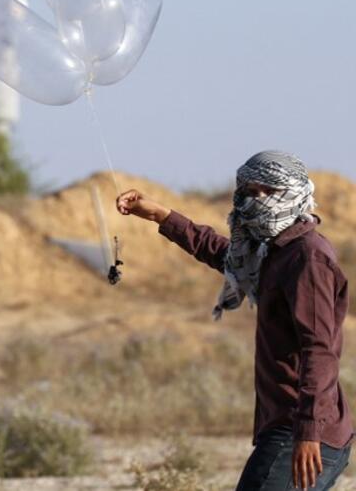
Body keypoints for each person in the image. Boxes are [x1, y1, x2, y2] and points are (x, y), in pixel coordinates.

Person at [117, 151, 352, 490]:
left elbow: (319, 349)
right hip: (293, 426)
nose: (254, 201)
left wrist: (309, 431)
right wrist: (160, 215)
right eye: (248, 192)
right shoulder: (272, 250)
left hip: (304, 431)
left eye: (266, 192)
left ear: (292, 192)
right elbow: (225, 256)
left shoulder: (307, 256)